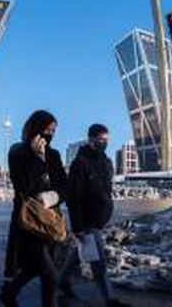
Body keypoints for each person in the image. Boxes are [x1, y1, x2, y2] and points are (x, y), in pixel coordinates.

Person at [0, 110, 68, 307]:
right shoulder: (18, 151)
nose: (50, 134)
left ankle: (9, 292)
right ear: (35, 128)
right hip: (28, 222)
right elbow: (23, 186)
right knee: (50, 275)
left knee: (34, 267)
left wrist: (53, 196)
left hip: (49, 221)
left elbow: (64, 186)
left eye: (53, 130)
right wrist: (38, 159)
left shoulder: (54, 155)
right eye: (46, 130)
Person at [66, 124, 131, 307]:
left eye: (106, 140)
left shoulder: (106, 162)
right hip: (87, 219)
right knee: (98, 262)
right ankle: (110, 300)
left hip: (100, 217)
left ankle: (62, 280)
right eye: (101, 139)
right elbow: (74, 197)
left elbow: (106, 191)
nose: (104, 143)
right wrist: (77, 226)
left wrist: (107, 209)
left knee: (80, 254)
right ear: (91, 139)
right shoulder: (80, 163)